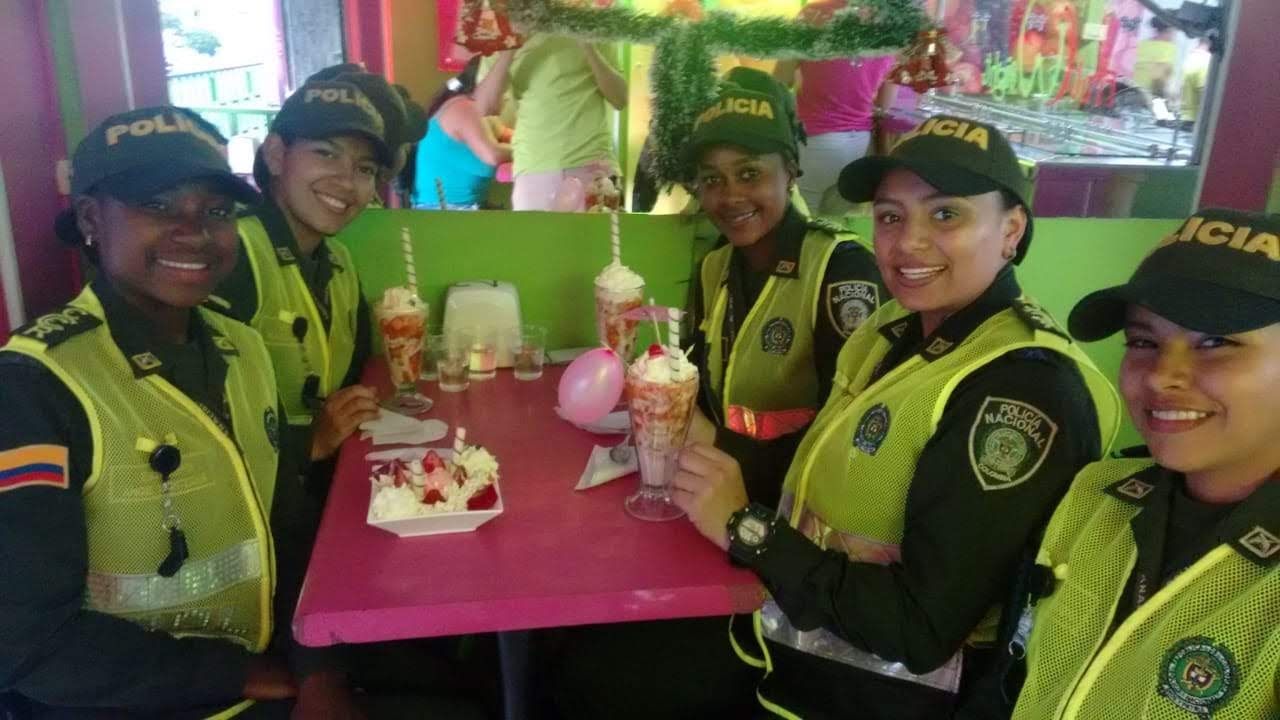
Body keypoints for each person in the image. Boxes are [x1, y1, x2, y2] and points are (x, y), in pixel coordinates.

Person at [670, 114, 1124, 718]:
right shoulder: (894, 327)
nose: (908, 242)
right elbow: (825, 463)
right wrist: (716, 452)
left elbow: (919, 628)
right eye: (890, 217)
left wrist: (746, 528)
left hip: (890, 697)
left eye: (946, 214)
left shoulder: (1025, 389)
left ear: (1011, 229)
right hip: (798, 655)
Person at [548, 67, 886, 720]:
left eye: (749, 173)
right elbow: (699, 388)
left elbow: (853, 449)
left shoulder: (840, 271)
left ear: (790, 169)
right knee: (575, 631)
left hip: (793, 553)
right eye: (711, 179)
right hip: (709, 515)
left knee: (600, 676)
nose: (729, 195)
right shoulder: (714, 268)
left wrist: (714, 447)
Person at [0, 106, 359, 718]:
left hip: (265, 677)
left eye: (216, 212)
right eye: (158, 206)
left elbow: (285, 524)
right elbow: (25, 641)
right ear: (90, 219)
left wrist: (319, 670)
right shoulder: (37, 386)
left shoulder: (241, 347)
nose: (194, 232)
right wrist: (245, 675)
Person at [996, 209, 1278, 720]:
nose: (1161, 376)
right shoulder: (1099, 495)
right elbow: (1020, 672)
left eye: (1216, 342)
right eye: (1144, 342)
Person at [210, 79, 388, 477]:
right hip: (262, 502)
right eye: (326, 153)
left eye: (364, 169)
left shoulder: (339, 261)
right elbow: (198, 416)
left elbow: (354, 380)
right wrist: (311, 442)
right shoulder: (232, 255)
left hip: (328, 483)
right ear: (276, 155)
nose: (347, 181)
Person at [473, 35, 627, 211]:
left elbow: (620, 100)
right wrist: (512, 43)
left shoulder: (593, 26)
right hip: (533, 168)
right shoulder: (501, 31)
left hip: (593, 163)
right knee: (537, 231)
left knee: (601, 230)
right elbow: (484, 107)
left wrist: (588, 47)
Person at [773, 0, 897, 217]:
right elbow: (885, 106)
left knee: (804, 217)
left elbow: (779, 83)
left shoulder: (813, 15)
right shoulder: (893, 25)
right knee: (840, 219)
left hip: (815, 138)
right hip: (859, 140)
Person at [411, 56, 512, 211]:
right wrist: (527, 150)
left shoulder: (480, 114)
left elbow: (511, 136)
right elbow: (493, 155)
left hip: (465, 208)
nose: (508, 97)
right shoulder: (463, 109)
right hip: (442, 211)